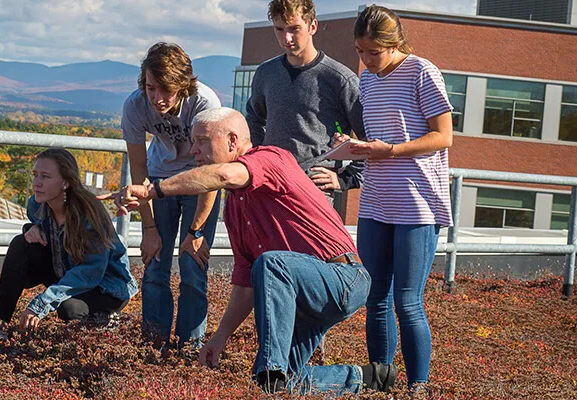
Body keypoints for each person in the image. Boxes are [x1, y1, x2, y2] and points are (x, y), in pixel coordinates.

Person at [104, 108, 397, 395]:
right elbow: (244, 287)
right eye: (193, 141)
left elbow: (222, 175)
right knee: (285, 384)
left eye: (202, 140)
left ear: (233, 141)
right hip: (301, 297)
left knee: (271, 266)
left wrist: (154, 190)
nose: (193, 150)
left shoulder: (270, 158)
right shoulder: (234, 209)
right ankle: (362, 378)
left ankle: (271, 370)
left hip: (342, 277)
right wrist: (218, 339)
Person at [343, 5, 454, 391]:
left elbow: (443, 137)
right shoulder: (367, 81)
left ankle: (417, 387)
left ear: (394, 43)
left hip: (418, 202)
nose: (367, 59)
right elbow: (376, 136)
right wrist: (353, 148)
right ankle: (379, 382)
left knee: (407, 302)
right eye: (361, 51)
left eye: (374, 52)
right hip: (376, 200)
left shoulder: (423, 71)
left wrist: (390, 150)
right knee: (374, 297)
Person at [122, 42, 222, 346]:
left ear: (183, 85)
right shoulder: (135, 105)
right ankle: (154, 345)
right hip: (158, 179)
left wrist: (196, 230)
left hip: (199, 180)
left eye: (166, 90)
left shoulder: (205, 104)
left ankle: (189, 348)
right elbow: (138, 169)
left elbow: (213, 173)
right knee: (155, 265)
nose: (157, 98)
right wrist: (149, 229)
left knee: (193, 266)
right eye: (151, 88)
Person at [0, 149, 138, 337]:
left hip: (104, 286)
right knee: (21, 244)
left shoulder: (90, 216)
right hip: (66, 270)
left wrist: (40, 305)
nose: (37, 183)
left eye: (45, 176)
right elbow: (39, 226)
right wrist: (31, 228)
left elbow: (90, 272)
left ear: (65, 182)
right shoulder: (36, 205)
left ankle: (106, 320)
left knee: (69, 309)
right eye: (35, 175)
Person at [245, 0, 365, 202]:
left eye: (294, 29)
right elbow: (254, 120)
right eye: (279, 29)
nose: (286, 38)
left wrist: (346, 178)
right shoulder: (265, 73)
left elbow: (369, 136)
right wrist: (259, 159)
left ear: (313, 27)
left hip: (315, 191)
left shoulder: (340, 79)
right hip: (270, 184)